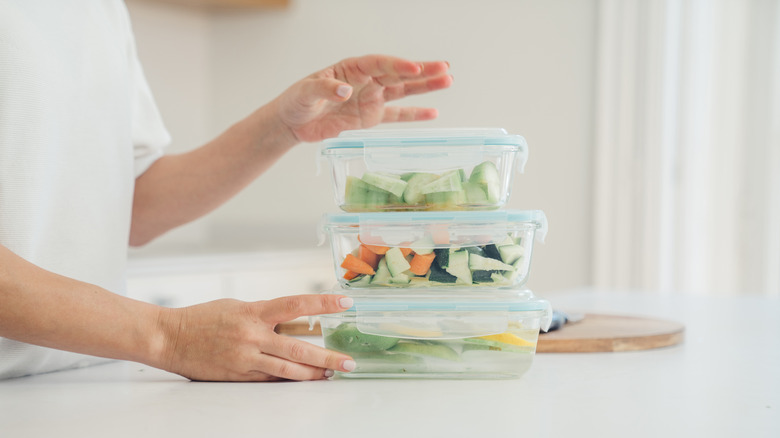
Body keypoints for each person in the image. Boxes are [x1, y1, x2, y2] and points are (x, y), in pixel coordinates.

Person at [0, 1, 452, 381]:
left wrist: (282, 128)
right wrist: (167, 335)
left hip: (83, 377)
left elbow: (133, 206)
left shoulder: (98, 9)